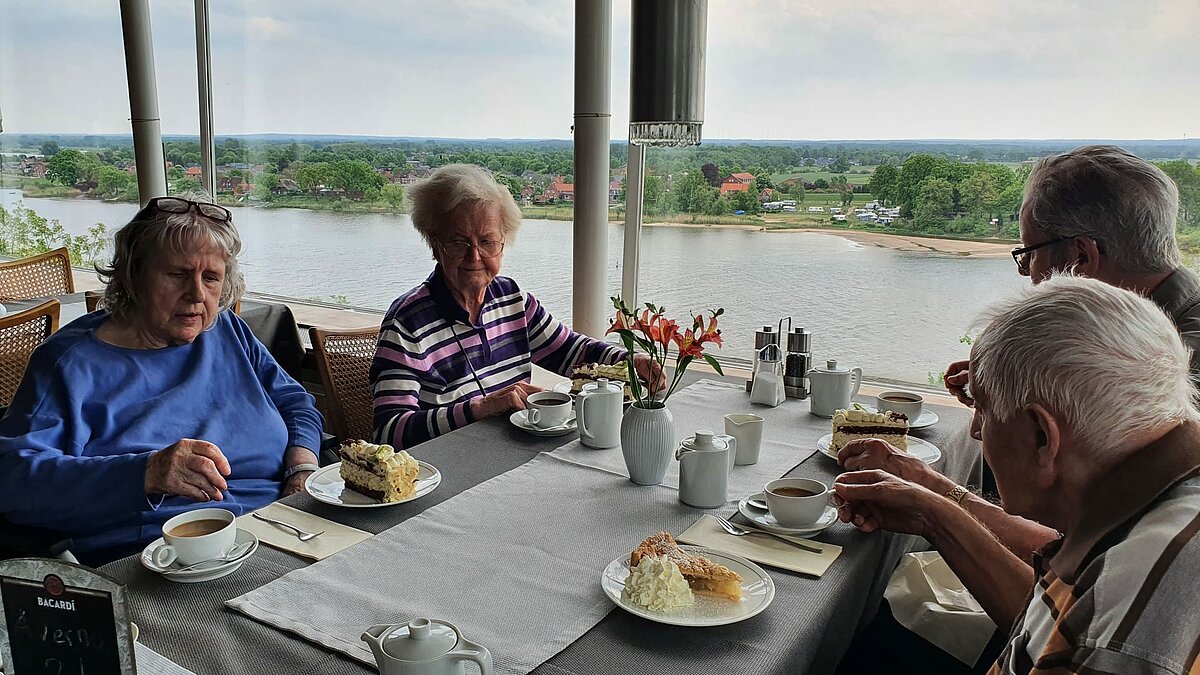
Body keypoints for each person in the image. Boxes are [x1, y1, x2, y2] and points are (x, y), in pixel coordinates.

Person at [836, 276, 1200, 673]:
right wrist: (934, 505)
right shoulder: (1154, 492)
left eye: (984, 411)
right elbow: (1057, 595)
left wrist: (936, 507)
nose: (975, 431)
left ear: (1042, 436)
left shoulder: (1127, 620)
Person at [0, 197, 323, 564]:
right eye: (177, 275)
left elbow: (296, 403)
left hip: (281, 529)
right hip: (166, 559)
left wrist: (301, 471)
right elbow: (13, 481)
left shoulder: (226, 330)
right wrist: (146, 472)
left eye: (211, 278)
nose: (197, 294)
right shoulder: (70, 363)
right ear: (134, 275)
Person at [372, 164, 659, 450]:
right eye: (458, 242)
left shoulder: (511, 297)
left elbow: (571, 352)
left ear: (503, 242)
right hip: (448, 467)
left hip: (514, 455)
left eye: (487, 242)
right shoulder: (406, 324)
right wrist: (479, 408)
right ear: (434, 245)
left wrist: (629, 363)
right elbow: (389, 432)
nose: (475, 257)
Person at [946, 144, 1200, 406]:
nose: (1026, 272)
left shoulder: (1176, 382)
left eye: (1030, 254)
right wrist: (1012, 380)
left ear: (1082, 257)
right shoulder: (1135, 334)